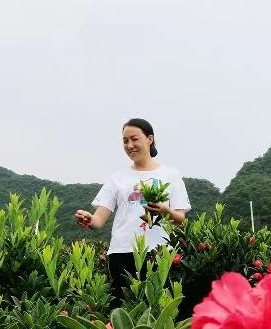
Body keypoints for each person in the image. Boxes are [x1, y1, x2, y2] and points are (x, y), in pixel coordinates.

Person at [74, 118, 191, 303]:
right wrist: (89, 219)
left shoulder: (170, 175)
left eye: (134, 139)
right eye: (125, 141)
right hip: (122, 252)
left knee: (159, 308)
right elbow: (98, 220)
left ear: (149, 139)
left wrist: (164, 211)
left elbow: (181, 219)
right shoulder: (117, 178)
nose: (129, 145)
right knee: (124, 309)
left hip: (159, 252)